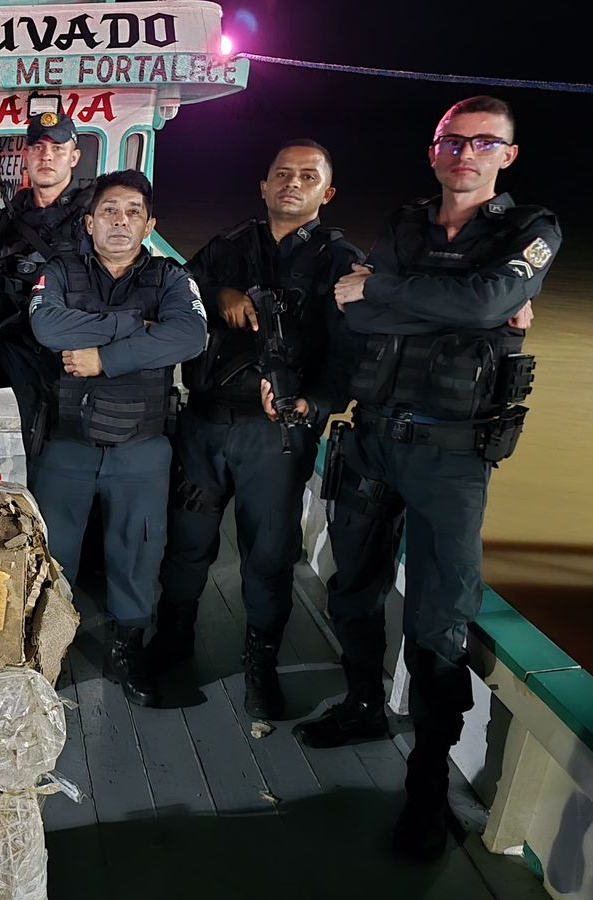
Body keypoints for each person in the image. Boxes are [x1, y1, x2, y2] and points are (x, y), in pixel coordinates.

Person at [301, 96, 560, 861]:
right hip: (374, 438)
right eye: (454, 140)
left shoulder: (529, 230)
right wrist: (452, 311)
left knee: (437, 627)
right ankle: (360, 703)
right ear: (434, 149)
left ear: (507, 156)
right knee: (351, 587)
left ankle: (425, 791)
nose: (467, 153)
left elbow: (485, 299)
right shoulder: (408, 223)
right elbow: (359, 317)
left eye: (486, 143)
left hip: (451, 456)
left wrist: (391, 295)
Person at [150, 140, 364, 719]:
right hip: (204, 422)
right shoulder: (230, 244)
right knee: (187, 542)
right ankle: (173, 640)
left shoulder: (340, 262)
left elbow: (351, 353)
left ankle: (260, 665)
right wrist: (220, 294)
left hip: (276, 437)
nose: (293, 184)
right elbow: (178, 288)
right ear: (264, 186)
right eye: (282, 175)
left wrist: (311, 405)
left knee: (268, 555)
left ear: (327, 192)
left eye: (308, 176)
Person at [27, 169, 208, 706]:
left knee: (137, 552)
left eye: (133, 212)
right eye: (109, 211)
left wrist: (102, 358)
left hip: (141, 445)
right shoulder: (58, 271)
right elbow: (48, 328)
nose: (121, 221)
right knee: (55, 553)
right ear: (89, 222)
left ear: (149, 224)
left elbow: (191, 335)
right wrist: (137, 328)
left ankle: (128, 648)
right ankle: (49, 648)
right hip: (68, 442)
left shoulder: (173, 278)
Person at [0, 111, 93, 454]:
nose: (46, 155)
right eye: (37, 146)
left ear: (74, 157)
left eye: (57, 148)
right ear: (25, 155)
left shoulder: (94, 216)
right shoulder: (7, 217)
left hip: (66, 354)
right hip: (11, 351)